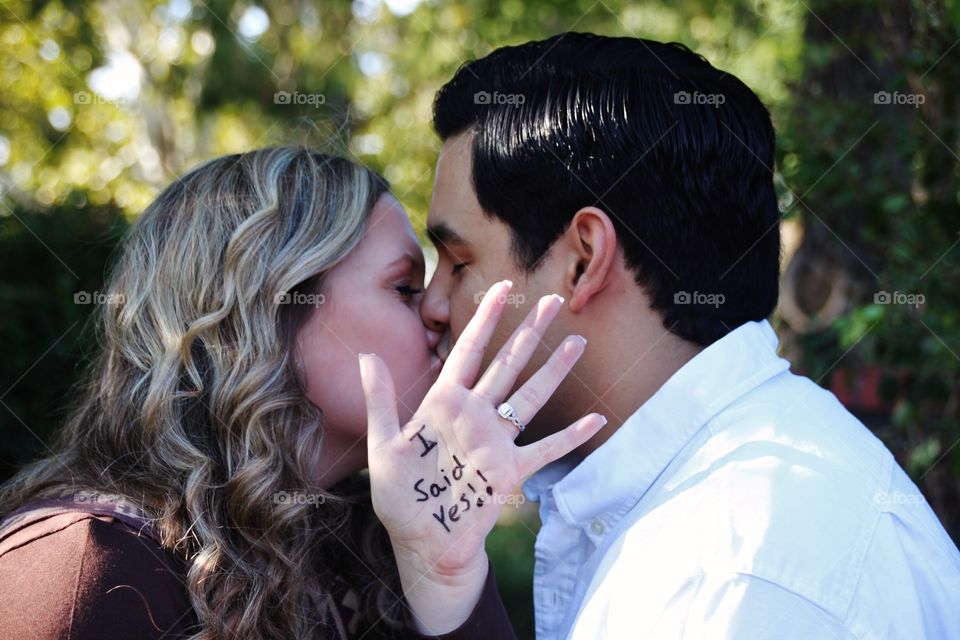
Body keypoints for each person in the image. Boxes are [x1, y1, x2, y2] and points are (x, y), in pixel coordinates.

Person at [411, 32, 960, 639]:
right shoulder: (720, 509)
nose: (432, 305)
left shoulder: (735, 575)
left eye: (458, 262)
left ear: (583, 259)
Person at [0, 146, 607, 639]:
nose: (437, 312)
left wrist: (446, 580)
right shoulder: (76, 570)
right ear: (270, 309)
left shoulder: (369, 544)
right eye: (404, 287)